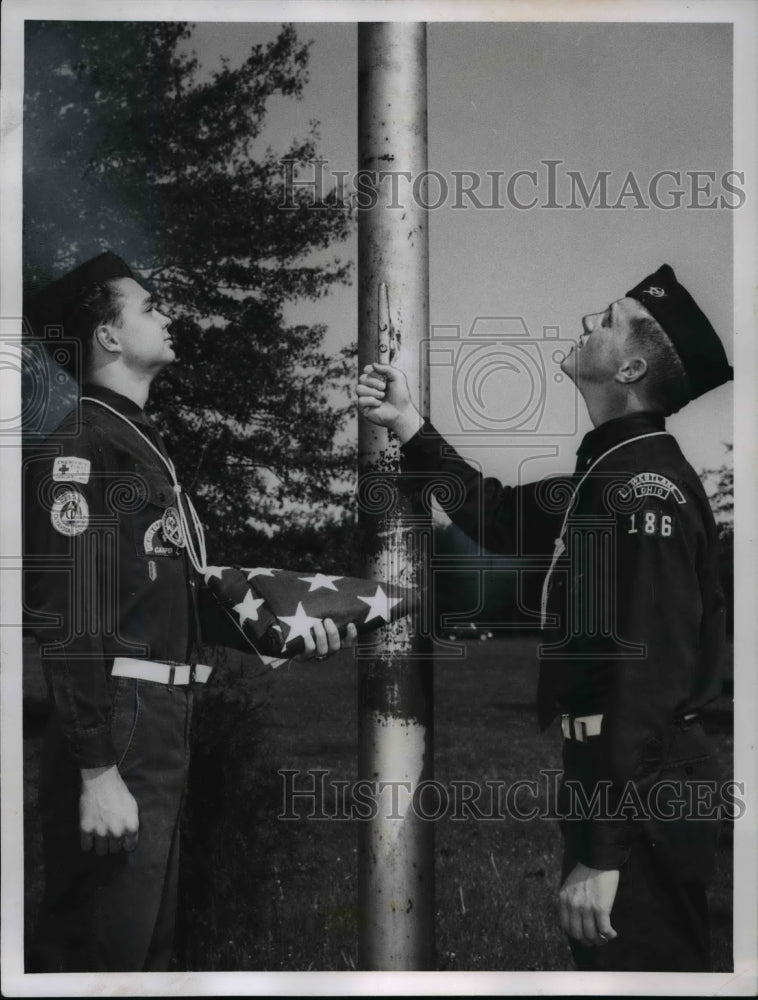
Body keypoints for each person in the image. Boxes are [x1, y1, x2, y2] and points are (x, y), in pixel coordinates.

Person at [356, 264, 732, 972]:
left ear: (632, 364)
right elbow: (498, 517)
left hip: (646, 784)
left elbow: (647, 679)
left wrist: (604, 851)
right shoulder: (609, 471)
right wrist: (408, 423)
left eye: (608, 319)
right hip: (623, 774)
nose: (588, 321)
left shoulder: (639, 488)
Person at [23, 251, 356, 972]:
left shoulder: (137, 443)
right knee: (100, 953)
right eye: (148, 307)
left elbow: (166, 595)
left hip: (161, 716)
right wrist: (95, 768)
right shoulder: (79, 447)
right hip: (121, 716)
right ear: (108, 337)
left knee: (147, 949)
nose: (168, 315)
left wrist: (293, 632)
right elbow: (69, 613)